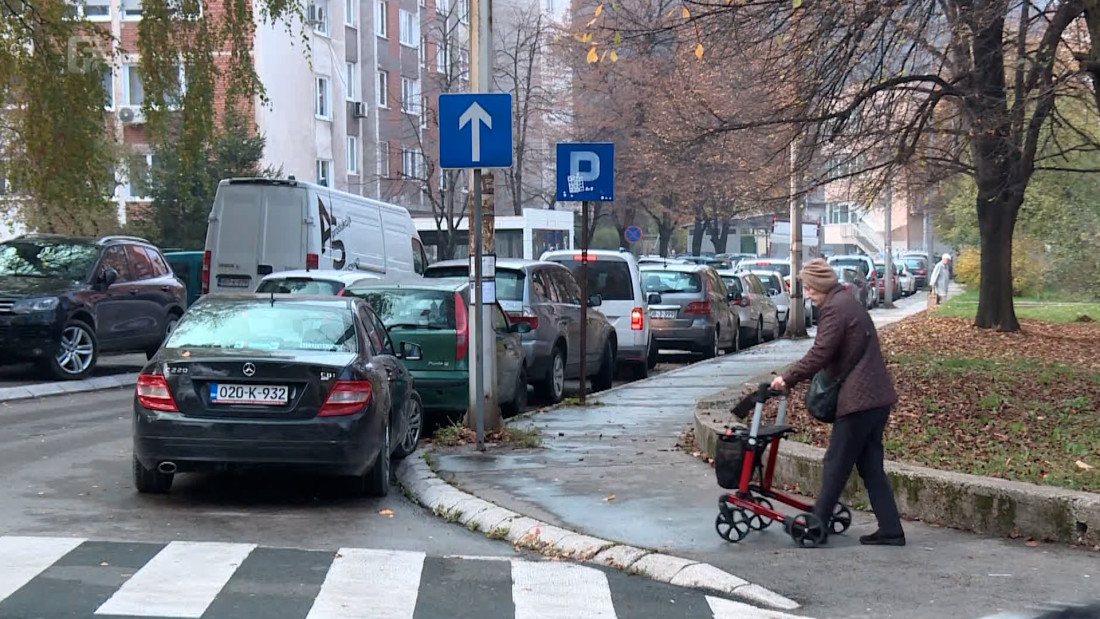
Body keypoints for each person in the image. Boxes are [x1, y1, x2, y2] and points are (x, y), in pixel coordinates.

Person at [769, 258, 905, 546]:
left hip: (860, 400)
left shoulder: (835, 309)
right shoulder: (846, 301)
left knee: (836, 462)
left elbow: (820, 353)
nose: (806, 294)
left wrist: (787, 378)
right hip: (876, 398)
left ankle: (817, 524)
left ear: (819, 285)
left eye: (808, 288)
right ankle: (891, 529)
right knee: (869, 466)